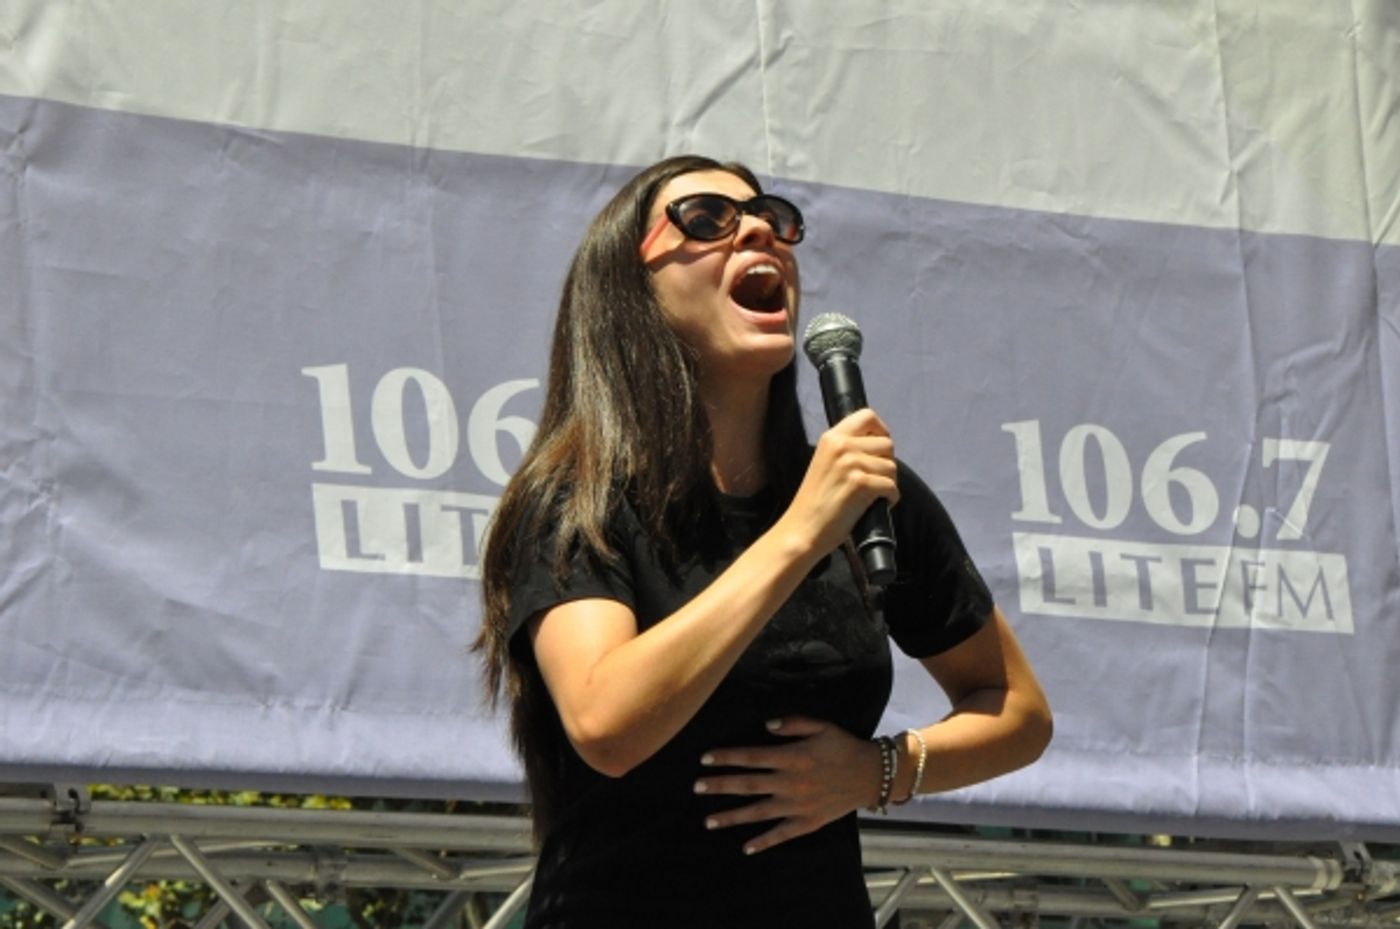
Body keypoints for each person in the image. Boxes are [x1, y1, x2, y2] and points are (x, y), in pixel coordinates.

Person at [475, 154, 1052, 928]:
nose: (759, 230)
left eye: (774, 219)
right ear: (631, 287)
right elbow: (606, 722)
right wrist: (799, 536)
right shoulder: (579, 496)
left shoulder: (864, 491)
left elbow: (1016, 709)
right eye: (708, 218)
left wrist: (878, 771)